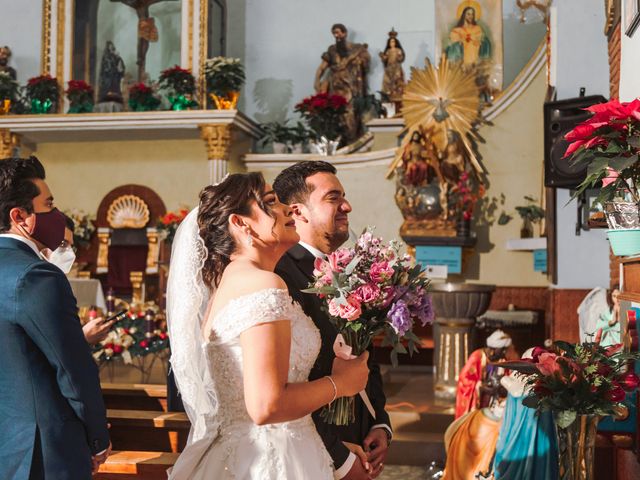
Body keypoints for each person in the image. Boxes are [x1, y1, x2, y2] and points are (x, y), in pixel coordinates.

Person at [167, 172, 370, 479]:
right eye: (270, 202)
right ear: (241, 223)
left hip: (269, 449)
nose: (287, 208)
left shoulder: (233, 282)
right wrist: (340, 384)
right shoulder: (262, 284)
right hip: (270, 463)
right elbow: (266, 406)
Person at [274, 161, 392, 480]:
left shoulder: (347, 269)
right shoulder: (281, 275)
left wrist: (379, 422)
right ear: (298, 211)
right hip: (317, 450)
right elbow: (291, 379)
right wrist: (339, 458)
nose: (347, 206)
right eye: (333, 198)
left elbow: (362, 353)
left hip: (360, 441)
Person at [0, 156, 111, 478]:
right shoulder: (37, 276)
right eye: (48, 205)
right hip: (41, 450)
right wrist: (96, 438)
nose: (56, 214)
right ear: (20, 216)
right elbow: (72, 368)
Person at [493, 349, 559, 480]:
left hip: (515, 440)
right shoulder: (546, 386)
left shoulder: (513, 383)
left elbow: (508, 420)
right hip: (541, 443)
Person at [315, 24, 371, 144]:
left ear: (345, 33)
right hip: (335, 87)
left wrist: (359, 60)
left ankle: (352, 140)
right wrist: (317, 80)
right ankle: (340, 141)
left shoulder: (357, 49)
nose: (337, 36)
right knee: (337, 115)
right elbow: (322, 68)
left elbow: (365, 63)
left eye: (339, 33)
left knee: (350, 114)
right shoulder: (332, 50)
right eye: (334, 33)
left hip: (351, 86)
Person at [455, 329, 513, 419]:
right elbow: (464, 379)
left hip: (494, 399)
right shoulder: (477, 356)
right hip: (480, 398)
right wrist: (481, 387)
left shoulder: (502, 360)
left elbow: (508, 377)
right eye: (502, 350)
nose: (504, 352)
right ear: (493, 349)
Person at [445, 5, 491, 70]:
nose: (470, 16)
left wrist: (471, 39)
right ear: (464, 15)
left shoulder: (477, 29)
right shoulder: (456, 30)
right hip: (462, 61)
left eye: (472, 14)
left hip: (474, 60)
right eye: (468, 14)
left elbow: (479, 39)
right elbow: (454, 41)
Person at [379, 31, 405, 105]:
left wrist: (399, 57)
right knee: (387, 83)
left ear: (396, 43)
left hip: (397, 68)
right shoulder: (388, 51)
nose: (392, 43)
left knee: (397, 83)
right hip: (389, 69)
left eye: (393, 42)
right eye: (390, 42)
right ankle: (387, 98)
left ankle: (397, 98)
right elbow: (385, 58)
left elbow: (401, 58)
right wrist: (382, 56)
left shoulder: (398, 50)